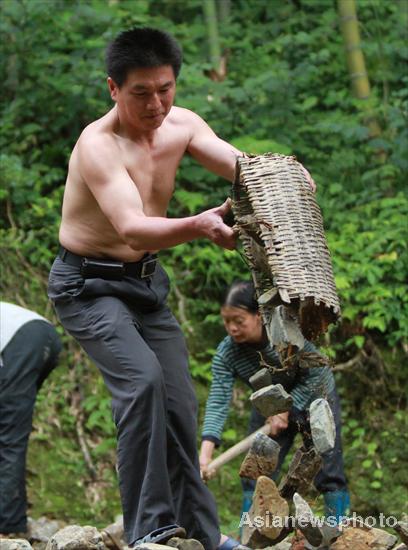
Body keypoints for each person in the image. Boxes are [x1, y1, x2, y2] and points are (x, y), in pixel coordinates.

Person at [47, 27, 314, 550]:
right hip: (88, 284)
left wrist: (285, 178)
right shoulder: (98, 146)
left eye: (165, 89)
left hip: (145, 284)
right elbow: (132, 228)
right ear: (113, 89)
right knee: (142, 383)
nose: (156, 104)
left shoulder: (182, 124)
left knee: (177, 399)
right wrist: (199, 225)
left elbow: (241, 167)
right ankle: (150, 528)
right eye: (141, 92)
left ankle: (202, 533)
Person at [199, 281, 350, 525]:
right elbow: (218, 399)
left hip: (316, 397)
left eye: (239, 321)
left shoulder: (283, 333)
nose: (232, 328)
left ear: (258, 316)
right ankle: (252, 534)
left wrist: (288, 408)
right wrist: (205, 455)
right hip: (269, 407)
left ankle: (338, 529)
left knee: (328, 471)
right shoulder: (227, 353)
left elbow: (319, 371)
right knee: (256, 473)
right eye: (227, 321)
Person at [0, 302, 62, 536]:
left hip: (23, 340)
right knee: (10, 432)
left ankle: (8, 526)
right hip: (42, 335)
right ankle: (11, 518)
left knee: (9, 437)